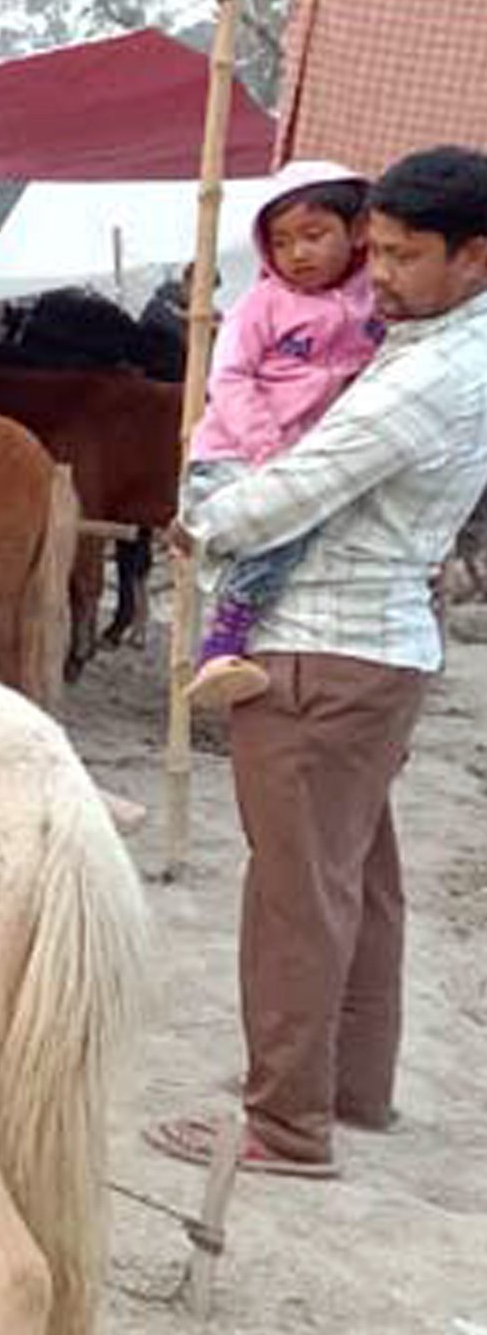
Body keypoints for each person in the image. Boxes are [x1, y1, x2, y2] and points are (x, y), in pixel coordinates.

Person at [148, 146, 487, 1179]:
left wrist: (202, 521)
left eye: (400, 254)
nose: (373, 272)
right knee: (354, 878)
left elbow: (299, 487)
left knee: (293, 890)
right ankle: (349, 1088)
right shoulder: (432, 342)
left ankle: (285, 1124)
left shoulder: (429, 373)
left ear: (473, 256)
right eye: (372, 248)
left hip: (323, 650)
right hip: (372, 651)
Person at [184, 163, 389, 710]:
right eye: (280, 242)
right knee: (282, 533)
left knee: (307, 533)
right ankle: (224, 638)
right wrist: (267, 448)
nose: (297, 253)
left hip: (307, 456)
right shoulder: (261, 305)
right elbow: (227, 378)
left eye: (314, 235)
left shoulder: (378, 298)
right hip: (232, 451)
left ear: (360, 231)